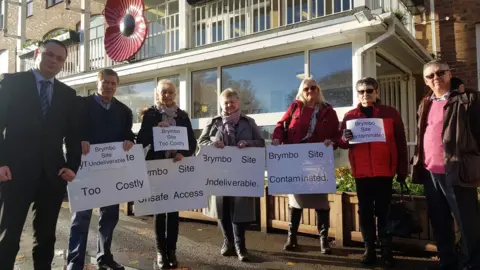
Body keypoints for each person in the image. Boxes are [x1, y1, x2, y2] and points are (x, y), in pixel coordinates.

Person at [0, 39, 82, 269]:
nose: (53, 61)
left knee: (46, 237)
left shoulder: (68, 94)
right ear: (37, 53)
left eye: (60, 59)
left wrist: (73, 165)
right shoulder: (12, 84)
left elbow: (74, 135)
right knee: (9, 235)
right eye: (49, 55)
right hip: (14, 172)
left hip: (52, 174)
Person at [411, 59, 480, 270]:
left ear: (450, 74)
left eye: (440, 73)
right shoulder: (425, 103)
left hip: (458, 171)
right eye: (430, 76)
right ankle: (446, 260)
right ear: (425, 80)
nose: (436, 78)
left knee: (467, 223)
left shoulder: (468, 98)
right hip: (430, 172)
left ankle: (471, 263)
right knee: (440, 221)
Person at [66, 69, 135, 270]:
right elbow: (69, 132)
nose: (109, 86)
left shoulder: (124, 111)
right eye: (105, 82)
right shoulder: (80, 105)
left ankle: (104, 257)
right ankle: (75, 261)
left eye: (113, 83)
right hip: (84, 171)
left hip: (111, 173)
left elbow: (128, 133)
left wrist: (130, 140)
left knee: (109, 217)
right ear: (97, 83)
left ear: (117, 86)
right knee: (81, 218)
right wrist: (79, 140)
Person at [339, 77, 408, 267]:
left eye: (369, 90)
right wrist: (345, 138)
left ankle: (387, 251)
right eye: (361, 91)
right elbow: (342, 144)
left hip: (384, 171)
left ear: (376, 92)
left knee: (384, 212)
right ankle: (369, 249)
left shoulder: (390, 113)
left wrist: (402, 170)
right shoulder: (350, 116)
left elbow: (401, 143)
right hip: (362, 173)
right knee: (366, 213)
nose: (365, 95)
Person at [271, 77, 340, 254]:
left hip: (318, 162)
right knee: (295, 200)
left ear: (319, 90)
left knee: (321, 202)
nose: (310, 91)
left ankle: (324, 240)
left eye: (313, 88)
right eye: (306, 88)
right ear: (301, 91)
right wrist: (277, 138)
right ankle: (291, 238)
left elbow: (337, 136)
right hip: (296, 161)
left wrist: (330, 142)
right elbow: (281, 125)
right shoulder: (295, 107)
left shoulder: (328, 111)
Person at [199, 88, 265, 262]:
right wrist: (214, 143)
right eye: (225, 102)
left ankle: (240, 245)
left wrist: (248, 143)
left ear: (238, 102)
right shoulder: (213, 123)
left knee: (239, 210)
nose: (229, 105)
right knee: (222, 208)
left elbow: (260, 143)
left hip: (241, 174)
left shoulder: (249, 122)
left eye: (232, 101)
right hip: (218, 174)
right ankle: (227, 242)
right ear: (221, 104)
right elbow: (200, 144)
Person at [136, 79, 197, 269]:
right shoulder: (151, 115)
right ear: (157, 94)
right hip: (157, 168)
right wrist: (156, 131)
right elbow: (141, 141)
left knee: (173, 212)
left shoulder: (183, 117)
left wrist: (183, 153)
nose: (167, 95)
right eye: (163, 92)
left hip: (176, 168)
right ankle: (160, 252)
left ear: (175, 94)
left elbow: (191, 144)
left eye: (170, 92)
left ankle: (172, 251)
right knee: (159, 212)